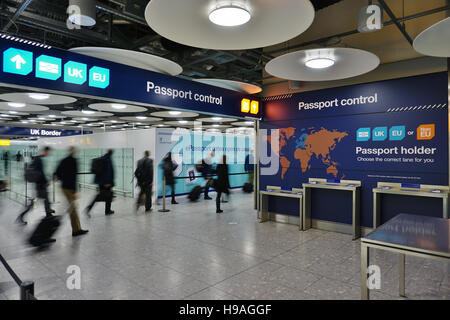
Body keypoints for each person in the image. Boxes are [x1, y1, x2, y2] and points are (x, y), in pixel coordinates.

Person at [55, 146, 88, 237]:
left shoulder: (63, 160)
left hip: (64, 187)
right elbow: (74, 177)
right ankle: (76, 230)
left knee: (72, 208)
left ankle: (77, 229)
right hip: (70, 189)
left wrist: (62, 180)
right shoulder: (74, 161)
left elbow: (56, 173)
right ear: (73, 151)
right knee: (73, 209)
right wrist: (75, 191)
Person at [16, 146, 54, 225]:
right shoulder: (39, 160)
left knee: (43, 199)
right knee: (44, 199)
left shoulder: (37, 158)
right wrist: (46, 182)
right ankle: (48, 215)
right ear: (45, 151)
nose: (49, 153)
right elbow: (41, 173)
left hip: (38, 184)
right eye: (48, 152)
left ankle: (48, 213)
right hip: (40, 184)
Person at [86, 149, 115, 216]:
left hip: (101, 181)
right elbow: (108, 172)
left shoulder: (104, 158)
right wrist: (107, 182)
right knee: (102, 196)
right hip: (105, 182)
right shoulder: (108, 160)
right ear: (111, 153)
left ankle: (107, 210)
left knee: (108, 196)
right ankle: (89, 208)